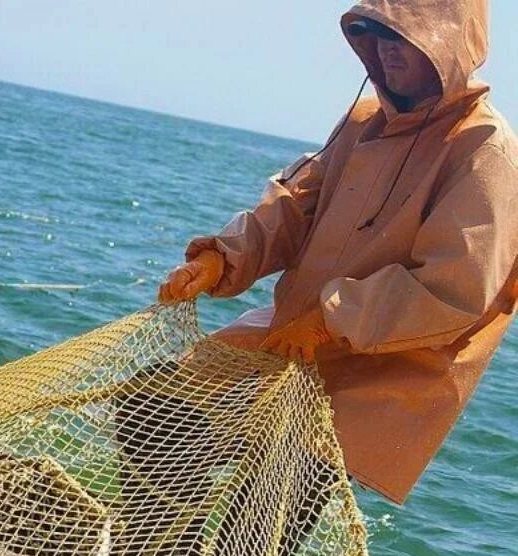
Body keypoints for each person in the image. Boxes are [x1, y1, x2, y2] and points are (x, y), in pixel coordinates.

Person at [158, 0, 518, 504]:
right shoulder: (362, 120)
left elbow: (454, 290)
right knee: (151, 410)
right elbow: (294, 204)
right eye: (380, 33)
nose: (389, 51)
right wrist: (221, 258)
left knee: (259, 523)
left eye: (407, 38)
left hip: (370, 382)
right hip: (286, 336)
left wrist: (331, 321)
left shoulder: (485, 150)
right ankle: (167, 551)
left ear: (450, 46)